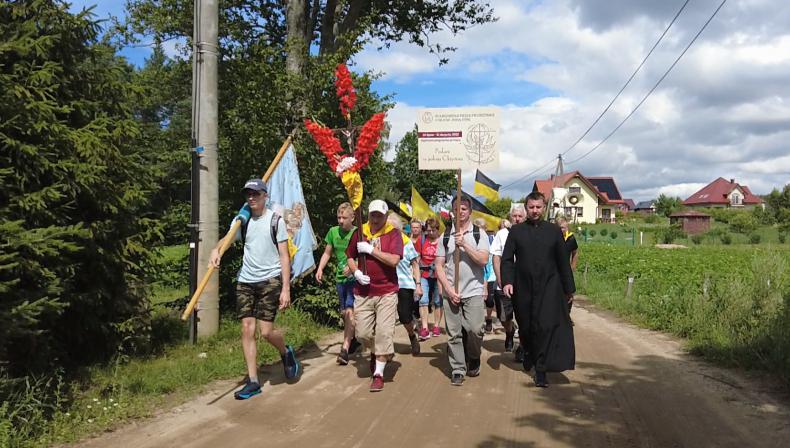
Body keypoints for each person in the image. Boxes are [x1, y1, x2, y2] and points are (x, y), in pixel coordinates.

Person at [209, 179, 301, 400]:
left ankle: (285, 352)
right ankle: (253, 381)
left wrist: (285, 288)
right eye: (248, 194)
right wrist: (216, 249)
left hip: (270, 280)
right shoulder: (243, 220)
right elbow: (228, 239)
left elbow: (284, 256)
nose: (251, 198)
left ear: (265, 196)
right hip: (246, 280)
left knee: (266, 332)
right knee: (247, 329)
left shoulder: (275, 221)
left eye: (256, 194)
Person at [501, 191, 576, 388]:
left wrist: (569, 289)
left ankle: (541, 369)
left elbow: (563, 262)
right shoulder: (516, 232)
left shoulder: (553, 231)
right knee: (526, 326)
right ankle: (527, 350)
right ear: (526, 208)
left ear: (544, 208)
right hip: (523, 286)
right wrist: (507, 281)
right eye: (531, 207)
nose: (535, 211)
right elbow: (507, 259)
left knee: (544, 327)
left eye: (538, 207)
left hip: (549, 286)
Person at [345, 200, 403, 392]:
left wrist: (371, 250)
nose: (376, 219)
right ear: (368, 214)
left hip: (387, 290)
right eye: (373, 215)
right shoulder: (360, 232)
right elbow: (350, 257)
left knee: (385, 332)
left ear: (386, 216)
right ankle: (378, 351)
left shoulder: (393, 233)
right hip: (364, 292)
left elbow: (394, 260)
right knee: (362, 333)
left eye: (380, 215)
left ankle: (378, 374)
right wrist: (356, 273)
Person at [435, 196, 490, 386]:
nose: (460, 212)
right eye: (457, 209)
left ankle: (473, 355)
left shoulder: (478, 234)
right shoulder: (446, 236)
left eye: (464, 209)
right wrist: (449, 290)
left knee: (475, 329)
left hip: (473, 290)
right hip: (451, 292)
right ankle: (458, 368)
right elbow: (439, 266)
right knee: (454, 333)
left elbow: (483, 260)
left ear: (470, 211)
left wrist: (464, 244)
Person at [315, 202, 359, 365]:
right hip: (340, 279)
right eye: (338, 217)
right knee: (344, 313)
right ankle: (353, 338)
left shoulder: (358, 233)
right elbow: (327, 252)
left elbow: (364, 257)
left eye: (344, 217)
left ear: (352, 218)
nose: (340, 221)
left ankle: (345, 349)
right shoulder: (333, 232)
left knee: (349, 312)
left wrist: (353, 266)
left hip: (355, 280)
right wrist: (320, 268)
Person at [491, 207, 525, 355]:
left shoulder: (529, 233)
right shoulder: (502, 234)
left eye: (520, 216)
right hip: (505, 283)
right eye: (514, 216)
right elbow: (496, 256)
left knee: (524, 317)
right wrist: (499, 278)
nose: (517, 218)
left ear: (524, 217)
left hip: (524, 283)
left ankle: (523, 347)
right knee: (504, 316)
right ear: (510, 217)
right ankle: (509, 331)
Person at [388, 215, 423, 356]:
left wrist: (418, 285)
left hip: (404, 283)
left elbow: (415, 265)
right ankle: (386, 349)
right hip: (387, 283)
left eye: (392, 228)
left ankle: (412, 335)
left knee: (404, 316)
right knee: (387, 318)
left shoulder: (406, 242)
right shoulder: (381, 241)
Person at [417, 217, 443, 339]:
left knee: (438, 301)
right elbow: (417, 257)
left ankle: (436, 326)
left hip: (439, 275)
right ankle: (425, 327)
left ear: (438, 229)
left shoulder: (443, 241)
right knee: (423, 299)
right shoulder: (422, 240)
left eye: (433, 230)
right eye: (428, 230)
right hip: (424, 274)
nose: (431, 233)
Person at [476, 218, 496, 334]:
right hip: (478, 275)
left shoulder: (492, 240)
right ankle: (478, 323)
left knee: (489, 301)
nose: (481, 231)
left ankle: (488, 318)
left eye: (483, 228)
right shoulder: (474, 240)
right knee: (477, 301)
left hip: (491, 275)